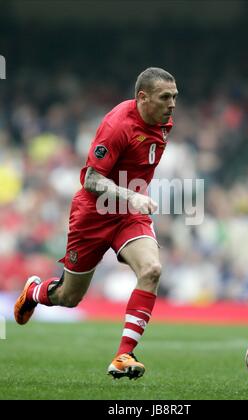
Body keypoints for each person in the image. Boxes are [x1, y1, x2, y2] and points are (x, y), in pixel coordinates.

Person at [14, 67, 178, 380]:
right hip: (93, 215)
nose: (172, 104)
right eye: (165, 97)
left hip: (130, 213)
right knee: (69, 297)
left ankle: (123, 355)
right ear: (142, 98)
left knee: (152, 270)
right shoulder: (117, 125)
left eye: (174, 97)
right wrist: (131, 195)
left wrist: (132, 199)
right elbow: (91, 179)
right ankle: (35, 291)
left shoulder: (163, 121)